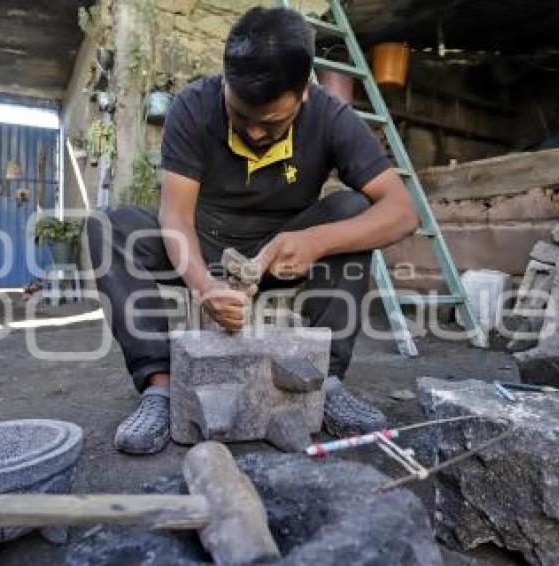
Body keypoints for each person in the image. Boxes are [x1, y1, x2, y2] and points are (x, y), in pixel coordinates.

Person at [87, 7, 419, 454]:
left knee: (354, 209)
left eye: (273, 122)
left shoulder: (331, 117)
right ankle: (161, 389)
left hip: (283, 251)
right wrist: (204, 286)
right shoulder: (193, 106)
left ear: (304, 93)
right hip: (204, 242)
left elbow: (402, 212)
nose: (255, 132)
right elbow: (175, 217)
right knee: (110, 228)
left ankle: (327, 382)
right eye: (242, 116)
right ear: (226, 83)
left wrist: (314, 241)